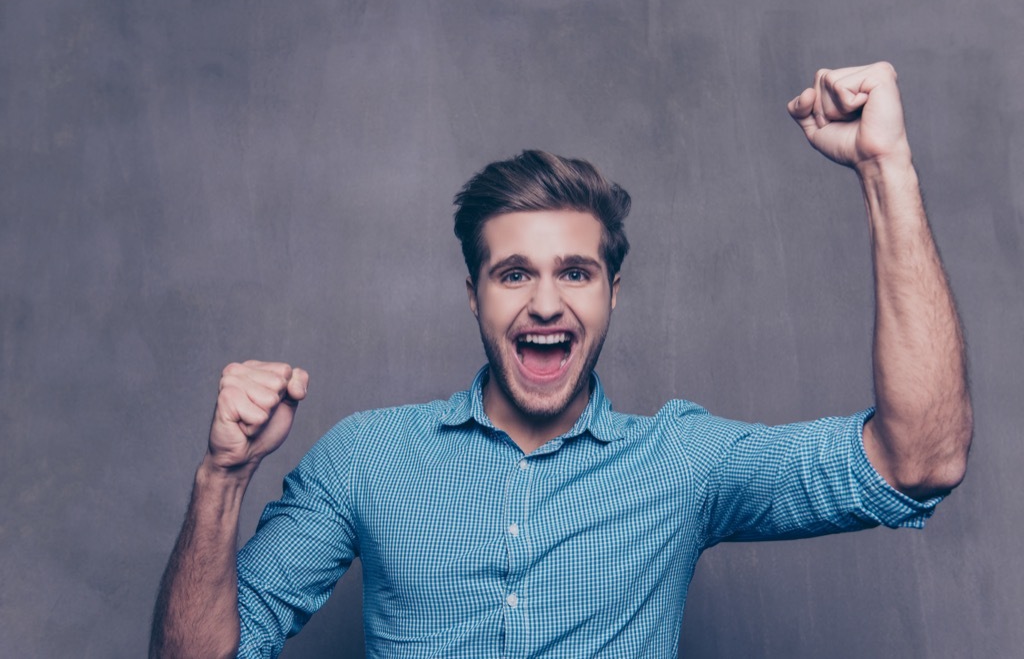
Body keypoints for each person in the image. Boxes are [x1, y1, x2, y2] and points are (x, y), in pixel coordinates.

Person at [149, 62, 972, 658]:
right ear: (475, 295)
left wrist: (883, 167)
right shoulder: (367, 457)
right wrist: (221, 476)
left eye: (574, 272)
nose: (545, 303)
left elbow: (919, 459)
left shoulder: (680, 461)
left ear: (614, 293)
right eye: (514, 274)